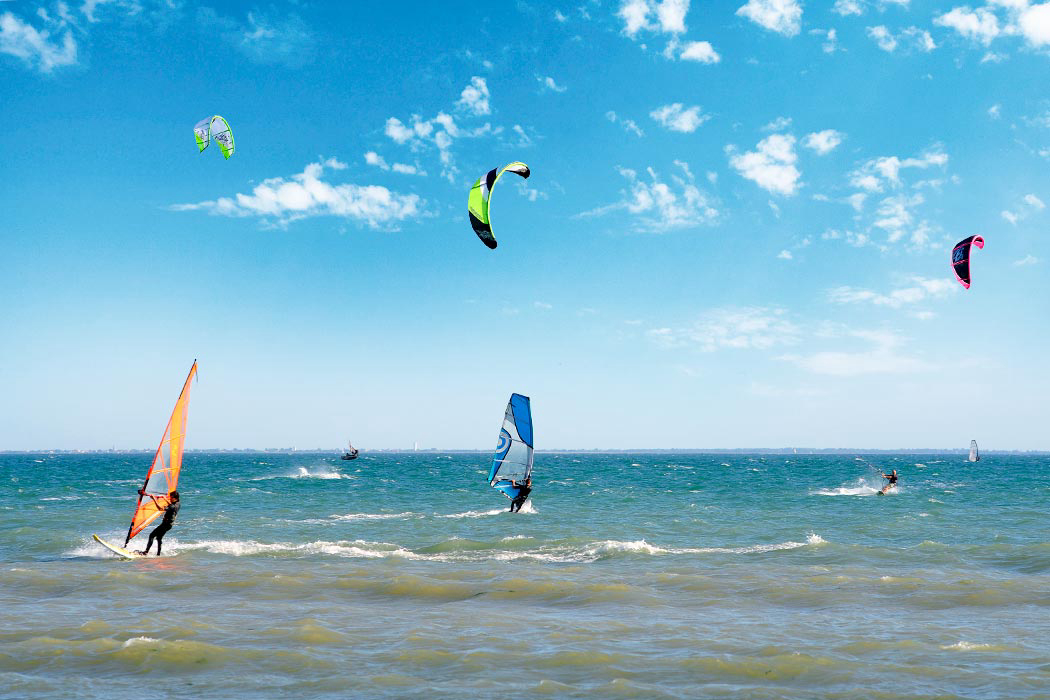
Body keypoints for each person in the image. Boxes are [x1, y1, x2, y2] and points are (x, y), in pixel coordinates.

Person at [136, 490, 180, 555]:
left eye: (171, 497)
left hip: (165, 524)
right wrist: (165, 499)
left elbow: (160, 508)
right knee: (159, 538)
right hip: (169, 524)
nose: (170, 498)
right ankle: (158, 554)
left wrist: (154, 499)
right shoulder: (178, 504)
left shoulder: (172, 506)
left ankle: (146, 552)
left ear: (174, 498)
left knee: (151, 535)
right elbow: (171, 505)